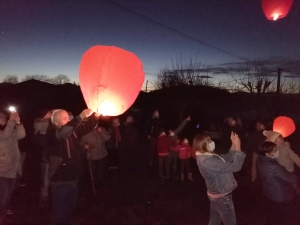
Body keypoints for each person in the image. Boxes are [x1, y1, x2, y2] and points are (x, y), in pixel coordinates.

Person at [46, 109, 99, 225]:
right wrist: (80, 117)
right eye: (65, 118)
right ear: (56, 121)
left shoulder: (73, 132)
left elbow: (87, 127)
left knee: (70, 208)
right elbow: (62, 133)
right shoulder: (52, 132)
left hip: (73, 178)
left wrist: (96, 116)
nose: (69, 120)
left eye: (69, 118)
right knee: (60, 212)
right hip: (61, 179)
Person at [193, 132, 245, 225]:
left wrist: (233, 143)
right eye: (208, 141)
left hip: (216, 195)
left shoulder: (206, 155)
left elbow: (226, 158)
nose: (211, 142)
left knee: (214, 222)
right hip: (222, 197)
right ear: (203, 145)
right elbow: (236, 166)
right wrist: (238, 146)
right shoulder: (207, 161)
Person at [256, 141, 299, 225]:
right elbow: (292, 179)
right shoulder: (275, 168)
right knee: (287, 216)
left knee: (274, 214)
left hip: (270, 192)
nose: (277, 152)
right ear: (268, 154)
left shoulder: (260, 159)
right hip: (282, 195)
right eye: (275, 151)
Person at [0, 111, 26, 224]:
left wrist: (18, 122)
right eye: (0, 116)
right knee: (3, 197)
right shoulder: (5, 131)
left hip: (13, 169)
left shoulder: (9, 129)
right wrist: (11, 122)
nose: (3, 117)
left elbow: (21, 135)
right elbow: (4, 135)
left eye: (3, 115)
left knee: (7, 195)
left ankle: (4, 212)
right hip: (2, 170)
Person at [80, 123, 110, 188]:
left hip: (102, 155)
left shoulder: (101, 129)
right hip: (91, 156)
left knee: (101, 171)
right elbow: (81, 141)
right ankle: (93, 184)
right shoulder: (85, 131)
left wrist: (101, 132)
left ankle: (101, 184)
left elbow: (107, 138)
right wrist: (84, 145)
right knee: (93, 172)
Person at [33, 109, 52, 208]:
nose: (51, 113)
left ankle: (51, 201)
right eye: (49, 112)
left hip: (54, 158)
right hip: (45, 158)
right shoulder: (39, 125)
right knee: (45, 181)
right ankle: (43, 202)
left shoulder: (53, 124)